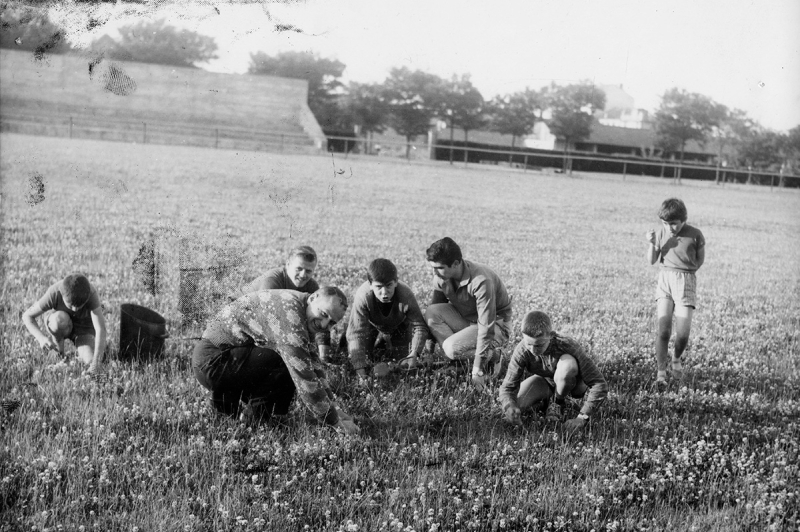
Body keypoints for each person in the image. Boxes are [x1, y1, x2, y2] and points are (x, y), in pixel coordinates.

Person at [192, 286, 359, 434]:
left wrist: (336, 409)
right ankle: (245, 415)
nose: (324, 325)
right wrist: (334, 422)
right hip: (211, 361)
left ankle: (256, 416)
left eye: (331, 323)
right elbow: (305, 376)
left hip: (227, 360)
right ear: (313, 298)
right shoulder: (289, 312)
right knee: (288, 360)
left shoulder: (301, 309)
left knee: (289, 357)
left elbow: (314, 365)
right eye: (323, 314)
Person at [424, 237, 512, 389]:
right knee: (432, 312)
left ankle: (494, 356)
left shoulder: (481, 280)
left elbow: (486, 326)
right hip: (468, 321)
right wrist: (429, 352)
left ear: (456, 263)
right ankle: (457, 362)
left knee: (451, 348)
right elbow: (435, 309)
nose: (434, 272)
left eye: (439, 267)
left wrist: (477, 371)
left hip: (496, 327)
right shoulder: (441, 277)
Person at [499, 311, 607, 432]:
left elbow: (599, 384)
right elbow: (507, 387)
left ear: (551, 335)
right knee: (517, 406)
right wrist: (509, 405)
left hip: (574, 385)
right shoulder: (522, 350)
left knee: (568, 365)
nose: (533, 350)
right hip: (546, 381)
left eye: (539, 345)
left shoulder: (567, 345)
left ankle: (558, 403)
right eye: (529, 344)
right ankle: (545, 402)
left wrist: (582, 417)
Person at [233, 245, 333, 362]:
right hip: (239, 315)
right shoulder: (273, 280)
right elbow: (266, 319)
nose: (303, 275)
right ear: (288, 264)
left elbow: (320, 322)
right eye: (299, 269)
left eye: (308, 271)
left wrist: (324, 358)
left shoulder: (312, 287)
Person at [646, 198, 705, 390]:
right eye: (665, 223)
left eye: (674, 223)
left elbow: (699, 260)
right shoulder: (662, 233)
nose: (669, 227)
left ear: (683, 220)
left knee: (683, 333)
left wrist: (686, 270)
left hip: (686, 282)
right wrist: (653, 244)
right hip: (665, 281)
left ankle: (677, 358)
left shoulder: (695, 234)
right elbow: (652, 261)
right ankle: (661, 373)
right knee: (663, 331)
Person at [345, 258, 428, 382]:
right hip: (371, 324)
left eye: (389, 285)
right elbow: (356, 333)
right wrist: (360, 373)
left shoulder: (405, 294)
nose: (384, 292)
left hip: (399, 325)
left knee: (403, 364)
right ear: (370, 285)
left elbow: (419, 326)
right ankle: (381, 342)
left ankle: (386, 341)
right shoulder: (363, 296)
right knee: (366, 360)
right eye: (378, 287)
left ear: (396, 282)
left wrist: (414, 354)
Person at [22, 273, 107, 375]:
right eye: (71, 306)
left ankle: (83, 348)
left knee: (89, 359)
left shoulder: (91, 293)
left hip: (84, 327)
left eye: (80, 306)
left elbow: (100, 328)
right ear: (62, 295)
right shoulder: (54, 292)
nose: (75, 309)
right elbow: (27, 316)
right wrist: (41, 338)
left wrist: (96, 364)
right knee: (59, 320)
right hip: (61, 321)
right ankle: (59, 352)